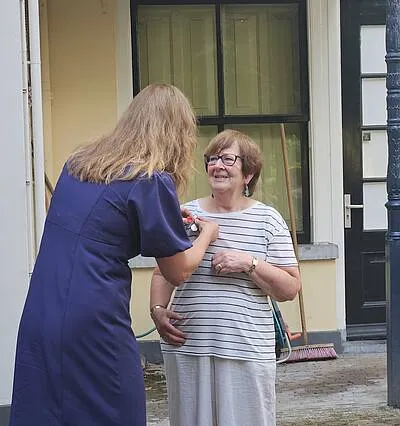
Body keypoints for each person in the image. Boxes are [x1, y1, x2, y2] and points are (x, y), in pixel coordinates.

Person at [9, 83, 219, 426]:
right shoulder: (151, 180)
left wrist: (165, 218)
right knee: (115, 409)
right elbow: (178, 270)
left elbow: (101, 224)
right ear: (178, 132)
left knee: (49, 411)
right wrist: (208, 234)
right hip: (95, 317)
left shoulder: (80, 165)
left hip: (43, 309)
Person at [150, 129, 301, 426]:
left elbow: (290, 287)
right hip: (189, 347)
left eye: (228, 159)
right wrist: (156, 311)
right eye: (212, 159)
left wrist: (249, 262)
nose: (217, 165)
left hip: (247, 349)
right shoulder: (185, 214)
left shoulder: (268, 220)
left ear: (248, 174)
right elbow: (161, 273)